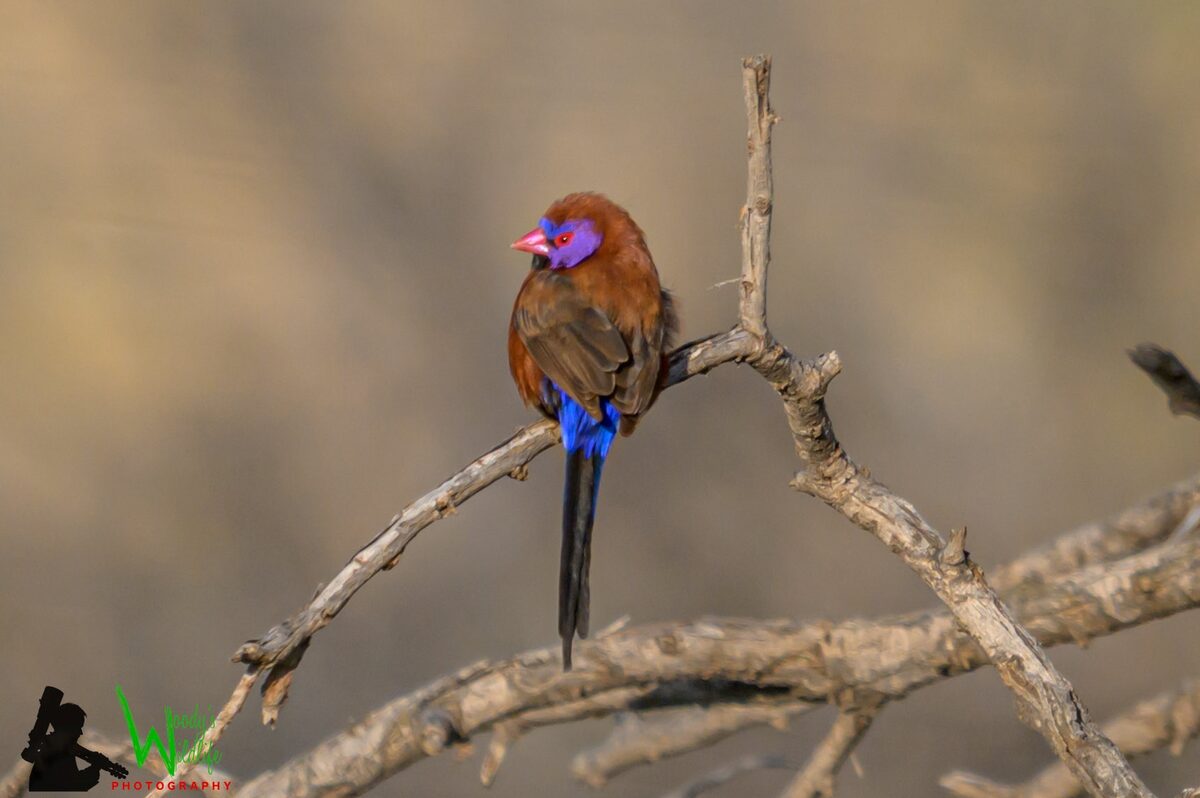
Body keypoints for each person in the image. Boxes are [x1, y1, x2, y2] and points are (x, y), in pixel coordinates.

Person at [27, 703, 102, 792]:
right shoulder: (57, 751)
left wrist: (94, 768)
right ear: (68, 727)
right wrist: (95, 768)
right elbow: (74, 785)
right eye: (78, 727)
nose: (80, 733)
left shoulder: (56, 747)